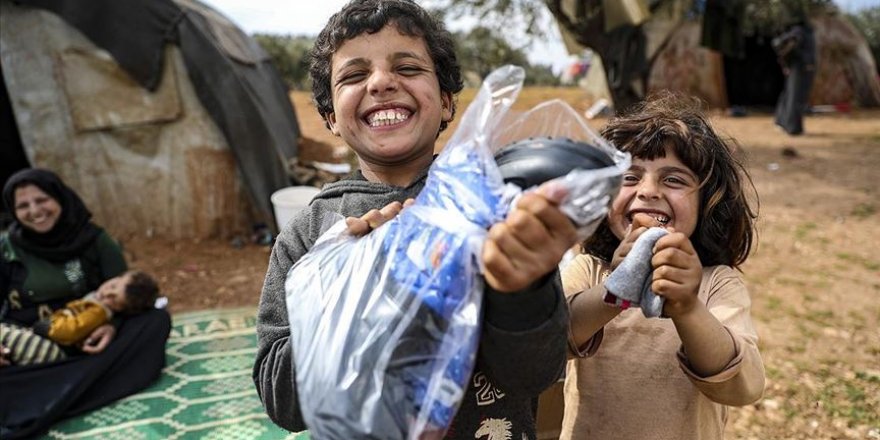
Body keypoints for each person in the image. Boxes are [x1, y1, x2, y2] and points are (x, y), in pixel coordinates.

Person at [253, 1, 577, 438]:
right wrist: (359, 287)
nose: (382, 82)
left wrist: (523, 288)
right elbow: (283, 402)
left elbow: (536, 372)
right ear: (331, 117)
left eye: (407, 68)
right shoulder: (311, 237)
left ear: (446, 103)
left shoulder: (493, 209)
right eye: (353, 75)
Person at [561, 94, 765, 439]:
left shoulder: (716, 283)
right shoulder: (589, 271)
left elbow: (743, 386)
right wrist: (615, 292)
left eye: (673, 179)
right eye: (629, 177)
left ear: (708, 202)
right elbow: (550, 340)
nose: (648, 191)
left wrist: (687, 307)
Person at [0, 168, 171, 440]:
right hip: (27, 344)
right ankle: (70, 388)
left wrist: (111, 326)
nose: (35, 210)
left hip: (87, 344)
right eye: (23, 205)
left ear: (60, 198)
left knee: (155, 319)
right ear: (13, 210)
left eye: (42, 200)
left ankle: (57, 390)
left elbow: (123, 291)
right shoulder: (7, 247)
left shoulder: (95, 240)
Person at [1, 270, 159, 365]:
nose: (106, 294)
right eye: (112, 286)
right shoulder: (93, 301)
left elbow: (72, 330)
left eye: (114, 299)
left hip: (53, 344)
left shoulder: (97, 311)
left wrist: (49, 328)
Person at [773, 20, 816, 136]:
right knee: (796, 97)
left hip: (797, 67)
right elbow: (788, 44)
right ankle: (793, 128)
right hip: (801, 67)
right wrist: (787, 61)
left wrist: (786, 63)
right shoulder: (800, 31)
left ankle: (782, 122)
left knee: (790, 95)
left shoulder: (800, 31)